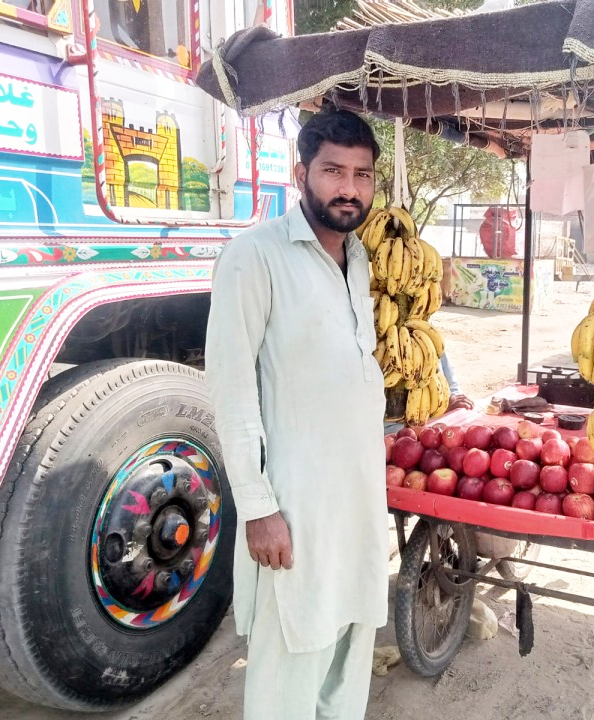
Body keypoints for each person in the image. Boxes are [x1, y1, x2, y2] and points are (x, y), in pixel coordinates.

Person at [205, 108, 388, 720]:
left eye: (362, 175)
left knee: (347, 661)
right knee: (290, 674)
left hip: (357, 508)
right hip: (296, 511)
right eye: (333, 170)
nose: (348, 189)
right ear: (300, 171)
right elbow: (231, 393)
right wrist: (260, 511)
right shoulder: (253, 257)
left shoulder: (357, 259)